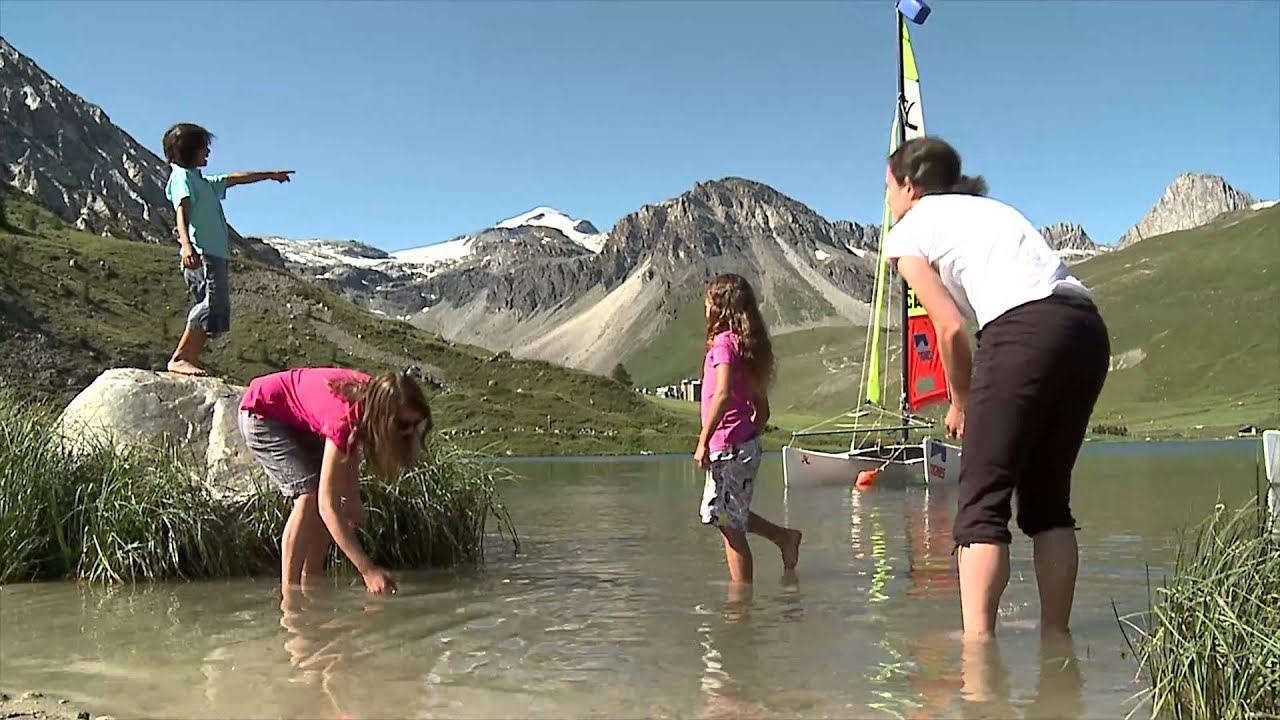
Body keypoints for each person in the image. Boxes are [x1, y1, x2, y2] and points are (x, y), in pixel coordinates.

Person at [881, 136, 1110, 639]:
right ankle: (1057, 650)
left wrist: (960, 401)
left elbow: (950, 328)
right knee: (1048, 501)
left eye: (888, 188)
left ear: (909, 186)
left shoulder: (908, 229)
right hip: (1086, 328)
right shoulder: (988, 211)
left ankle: (978, 659)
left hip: (1023, 330)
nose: (887, 201)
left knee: (981, 507)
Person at [238, 367, 433, 595]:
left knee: (330, 497)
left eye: (415, 423)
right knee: (310, 497)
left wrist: (352, 498)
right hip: (262, 413)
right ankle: (289, 595)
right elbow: (326, 505)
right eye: (402, 424)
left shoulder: (371, 402)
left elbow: (348, 449)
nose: (408, 431)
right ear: (383, 417)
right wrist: (368, 571)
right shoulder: (343, 418)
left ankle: (311, 583)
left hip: (301, 421)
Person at [695, 273, 803, 584]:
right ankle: (784, 538)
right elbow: (762, 410)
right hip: (741, 444)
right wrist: (746, 436)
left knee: (730, 526)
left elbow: (723, 393)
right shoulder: (746, 348)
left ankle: (740, 608)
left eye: (707, 305)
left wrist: (705, 441)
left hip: (727, 446)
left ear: (719, 308)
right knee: (731, 516)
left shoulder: (723, 345)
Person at [162, 122, 294, 377]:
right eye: (204, 148)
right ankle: (179, 357)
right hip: (202, 255)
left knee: (212, 307)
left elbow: (235, 178)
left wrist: (269, 174)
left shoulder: (202, 182)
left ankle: (188, 358)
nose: (208, 153)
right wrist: (186, 245)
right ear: (189, 149)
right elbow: (182, 212)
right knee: (211, 303)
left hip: (214, 255)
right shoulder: (182, 178)